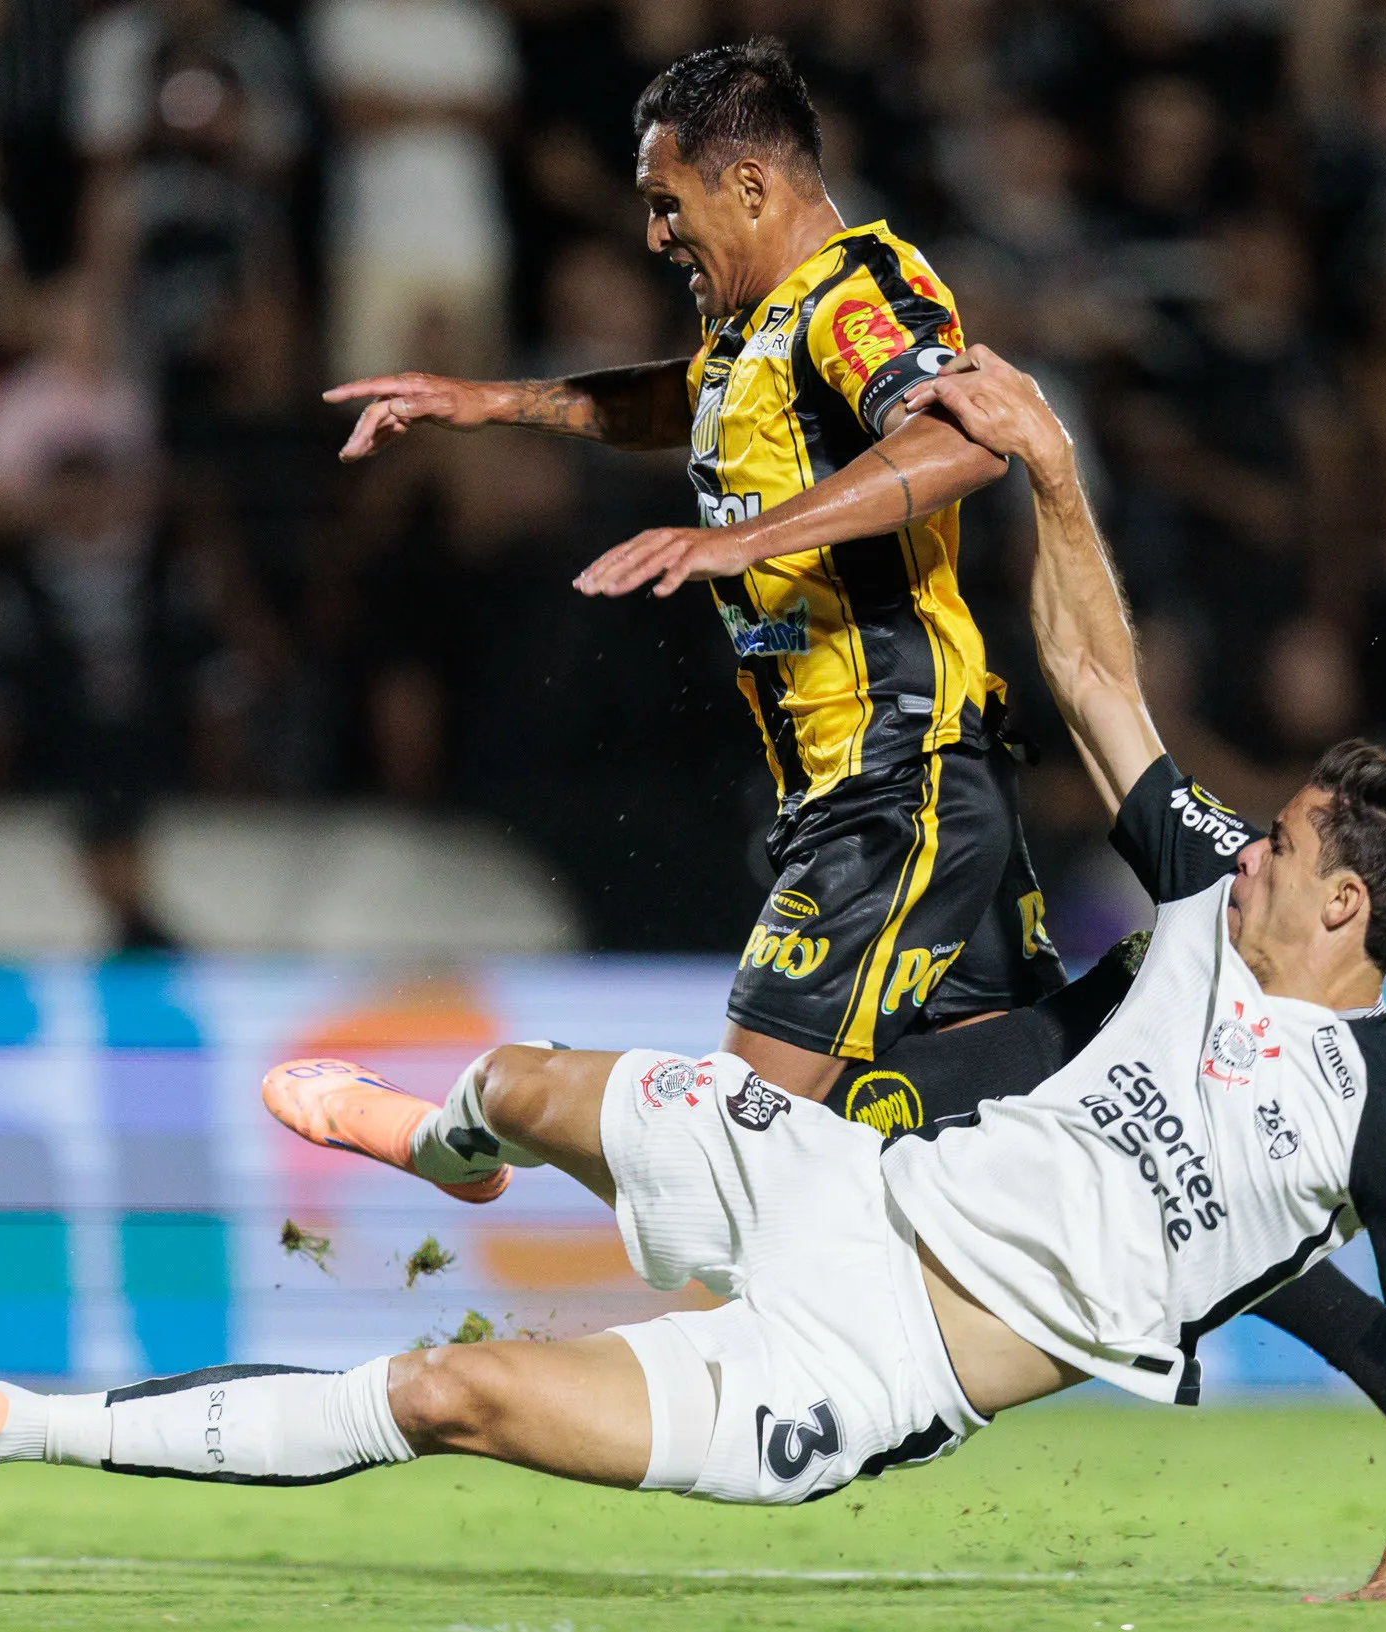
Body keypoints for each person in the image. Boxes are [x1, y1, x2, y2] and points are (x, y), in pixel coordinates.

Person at [0, 347, 1386, 1600]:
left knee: (446, 1393)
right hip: (834, 1182)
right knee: (515, 1084)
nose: (1251, 843)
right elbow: (1088, 672)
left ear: (1346, 903)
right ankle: (444, 1148)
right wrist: (1056, 477)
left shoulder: (1384, 1116)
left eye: (1287, 842)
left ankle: (4, 1421)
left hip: (865, 1367)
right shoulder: (1208, 891)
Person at [323, 39, 1060, 1100]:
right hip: (877, 777)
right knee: (981, 1125)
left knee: (734, 1137)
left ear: (750, 186)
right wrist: (491, 402)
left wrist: (746, 539)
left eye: (667, 204)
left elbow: (967, 439)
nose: (655, 235)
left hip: (892, 775)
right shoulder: (759, 327)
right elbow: (683, 398)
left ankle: (470, 1125)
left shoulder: (856, 292)